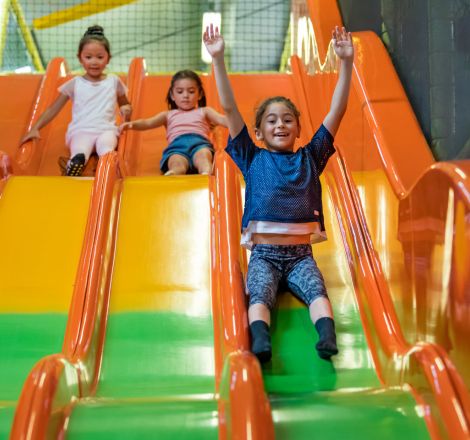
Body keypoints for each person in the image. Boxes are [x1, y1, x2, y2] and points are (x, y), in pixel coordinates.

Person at [203, 24, 354, 363]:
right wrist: (218, 60)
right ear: (258, 131)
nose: (280, 125)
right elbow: (229, 110)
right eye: (271, 121)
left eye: (287, 120)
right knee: (258, 294)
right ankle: (261, 342)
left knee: (317, 290)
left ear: (299, 129)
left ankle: (327, 336)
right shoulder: (251, 156)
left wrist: (346, 64)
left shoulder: (311, 156)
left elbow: (337, 112)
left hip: (301, 254)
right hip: (265, 253)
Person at [20, 25, 132, 176]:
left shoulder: (113, 81)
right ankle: (74, 166)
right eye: (88, 57)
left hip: (106, 130)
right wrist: (35, 127)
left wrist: (126, 109)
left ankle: (107, 165)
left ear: (108, 59)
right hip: (81, 130)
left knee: (106, 148)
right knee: (80, 151)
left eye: (100, 57)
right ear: (80, 58)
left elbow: (124, 103)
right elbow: (53, 109)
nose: (94, 62)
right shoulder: (75, 83)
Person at [120, 69, 227, 175]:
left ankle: (205, 172)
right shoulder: (168, 115)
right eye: (180, 91)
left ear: (199, 94)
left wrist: (234, 121)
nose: (185, 95)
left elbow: (221, 119)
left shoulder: (205, 111)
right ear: (172, 95)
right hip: (177, 147)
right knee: (176, 161)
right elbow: (148, 123)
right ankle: (175, 172)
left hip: (199, 144)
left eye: (191, 91)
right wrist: (131, 125)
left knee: (203, 157)